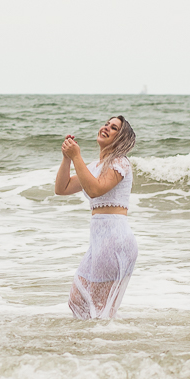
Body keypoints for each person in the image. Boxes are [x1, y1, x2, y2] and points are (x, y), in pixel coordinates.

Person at [54, 116, 138, 319]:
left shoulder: (120, 162)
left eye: (114, 128)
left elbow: (95, 190)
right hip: (98, 242)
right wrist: (67, 158)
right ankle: (93, 338)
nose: (106, 128)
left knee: (100, 310)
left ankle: (108, 339)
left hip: (115, 240)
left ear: (121, 138)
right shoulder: (93, 167)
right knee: (77, 301)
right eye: (107, 124)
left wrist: (76, 156)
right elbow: (62, 188)